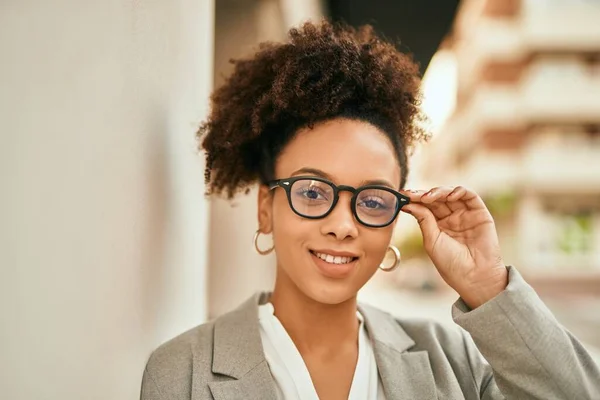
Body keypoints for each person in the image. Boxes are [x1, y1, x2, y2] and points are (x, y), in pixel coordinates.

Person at [140, 21, 600, 400]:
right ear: (266, 208)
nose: (343, 225)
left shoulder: (451, 360)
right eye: (313, 192)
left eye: (373, 201)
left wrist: (490, 287)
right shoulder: (184, 370)